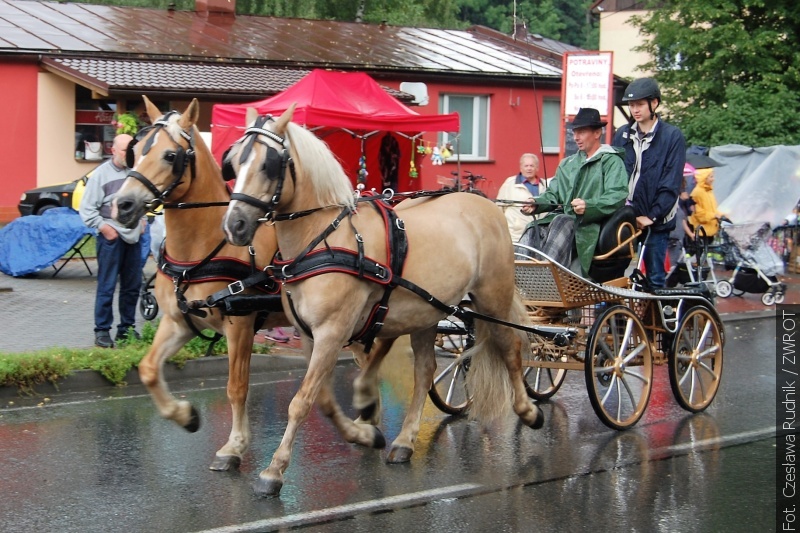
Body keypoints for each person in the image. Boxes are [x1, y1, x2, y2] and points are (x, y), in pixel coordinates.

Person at [520, 108, 629, 277]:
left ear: (597, 132)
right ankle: (517, 280)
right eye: (575, 132)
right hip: (564, 223)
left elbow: (617, 195)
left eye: (582, 132)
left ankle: (546, 279)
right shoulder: (568, 163)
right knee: (533, 228)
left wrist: (589, 206)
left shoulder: (611, 161)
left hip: (591, 227)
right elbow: (553, 195)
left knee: (562, 220)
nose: (576, 137)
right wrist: (536, 203)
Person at [613, 77, 686, 288]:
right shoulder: (623, 134)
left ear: (654, 103)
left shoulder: (672, 136)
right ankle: (619, 319)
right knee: (617, 274)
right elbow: (614, 172)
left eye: (640, 104)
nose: (635, 109)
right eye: (631, 105)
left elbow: (671, 182)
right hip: (626, 217)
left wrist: (652, 216)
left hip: (656, 220)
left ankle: (656, 320)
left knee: (654, 277)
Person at [79, 133, 144, 348]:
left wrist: (143, 221)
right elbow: (87, 209)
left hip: (133, 238)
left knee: (132, 287)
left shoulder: (136, 173)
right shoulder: (100, 175)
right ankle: (102, 331)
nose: (129, 154)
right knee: (107, 286)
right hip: (111, 238)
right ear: (114, 150)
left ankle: (126, 328)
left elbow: (143, 199)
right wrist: (105, 228)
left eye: (132, 149)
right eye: (125, 150)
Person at [496, 153, 548, 242]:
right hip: (515, 235)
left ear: (537, 168)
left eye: (532, 166)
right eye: (526, 166)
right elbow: (499, 208)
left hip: (539, 235)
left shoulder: (545, 185)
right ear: (521, 168)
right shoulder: (510, 183)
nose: (529, 168)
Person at [688, 167, 722, 248]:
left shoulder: (708, 191)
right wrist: (714, 216)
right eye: (711, 177)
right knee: (701, 256)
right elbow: (699, 214)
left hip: (710, 230)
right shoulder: (697, 192)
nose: (713, 179)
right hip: (702, 232)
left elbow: (712, 209)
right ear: (704, 178)